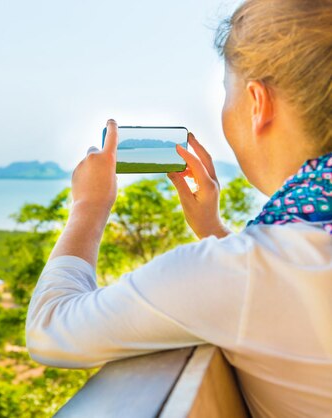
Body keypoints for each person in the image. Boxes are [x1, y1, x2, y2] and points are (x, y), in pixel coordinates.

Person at [24, 0, 332, 417]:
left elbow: (51, 328)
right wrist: (212, 229)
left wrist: (88, 207)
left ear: (259, 103)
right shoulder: (274, 262)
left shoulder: (248, 271)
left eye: (228, 92)